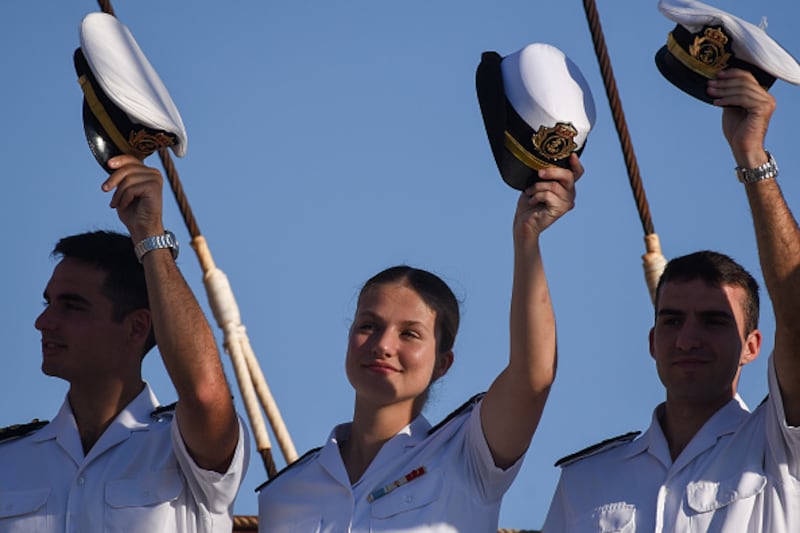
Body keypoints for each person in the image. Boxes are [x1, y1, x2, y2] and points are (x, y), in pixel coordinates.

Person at [541, 37, 800, 533]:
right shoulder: (585, 483)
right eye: (673, 319)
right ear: (652, 341)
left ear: (752, 346)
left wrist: (752, 156)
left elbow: (798, 311)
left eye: (714, 321)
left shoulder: (779, 448)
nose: (687, 338)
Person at [0, 154, 250, 532]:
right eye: (48, 303)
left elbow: (204, 394)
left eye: (72, 306)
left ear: (136, 327)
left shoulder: (184, 449)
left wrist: (150, 235)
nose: (43, 322)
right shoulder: (9, 460)